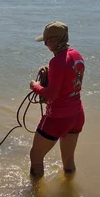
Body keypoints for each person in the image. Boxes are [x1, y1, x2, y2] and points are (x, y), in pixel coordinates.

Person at [28, 21, 85, 178]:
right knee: (68, 159)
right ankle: (68, 187)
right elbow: (68, 79)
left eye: (45, 42)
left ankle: (35, 196)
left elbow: (52, 94)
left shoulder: (57, 62)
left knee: (36, 156)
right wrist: (49, 71)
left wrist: (35, 86)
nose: (45, 45)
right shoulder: (77, 55)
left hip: (57, 118)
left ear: (53, 41)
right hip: (76, 115)